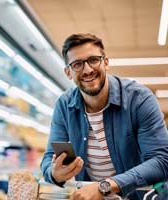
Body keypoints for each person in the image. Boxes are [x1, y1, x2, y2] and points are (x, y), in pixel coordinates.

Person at [40, 33, 168, 200]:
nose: (87, 70)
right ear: (68, 72)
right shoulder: (64, 106)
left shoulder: (139, 99)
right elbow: (49, 158)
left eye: (93, 60)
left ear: (105, 63)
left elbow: (162, 160)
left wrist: (105, 186)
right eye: (77, 64)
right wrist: (55, 173)